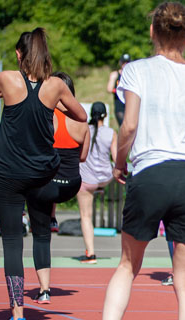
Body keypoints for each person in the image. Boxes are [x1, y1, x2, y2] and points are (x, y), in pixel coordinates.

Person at [102, 3, 185, 319]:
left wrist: (119, 163)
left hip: (150, 172)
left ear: (153, 30)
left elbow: (129, 125)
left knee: (127, 267)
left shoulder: (136, 70)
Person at [0, 27, 87, 320]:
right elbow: (82, 116)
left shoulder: (7, 79)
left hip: (9, 174)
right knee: (40, 231)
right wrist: (54, 104)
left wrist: (5, 95)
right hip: (41, 175)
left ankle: (17, 312)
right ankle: (44, 284)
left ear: (18, 54)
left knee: (12, 242)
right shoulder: (55, 86)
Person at [29, 71, 90, 304]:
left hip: (47, 186)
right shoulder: (82, 122)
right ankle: (52, 215)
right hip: (71, 184)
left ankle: (44, 290)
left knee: (41, 236)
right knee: (50, 178)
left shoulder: (43, 118)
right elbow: (82, 158)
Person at [76, 101, 117, 264]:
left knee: (86, 216)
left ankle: (91, 254)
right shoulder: (111, 133)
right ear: (105, 115)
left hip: (86, 181)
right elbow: (115, 157)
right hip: (105, 178)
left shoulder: (84, 130)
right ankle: (101, 190)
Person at [107, 53, 131, 126]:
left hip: (130, 103)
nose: (125, 64)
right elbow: (109, 89)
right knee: (122, 125)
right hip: (119, 103)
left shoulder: (132, 74)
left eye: (127, 62)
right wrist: (120, 90)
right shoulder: (115, 74)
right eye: (124, 62)